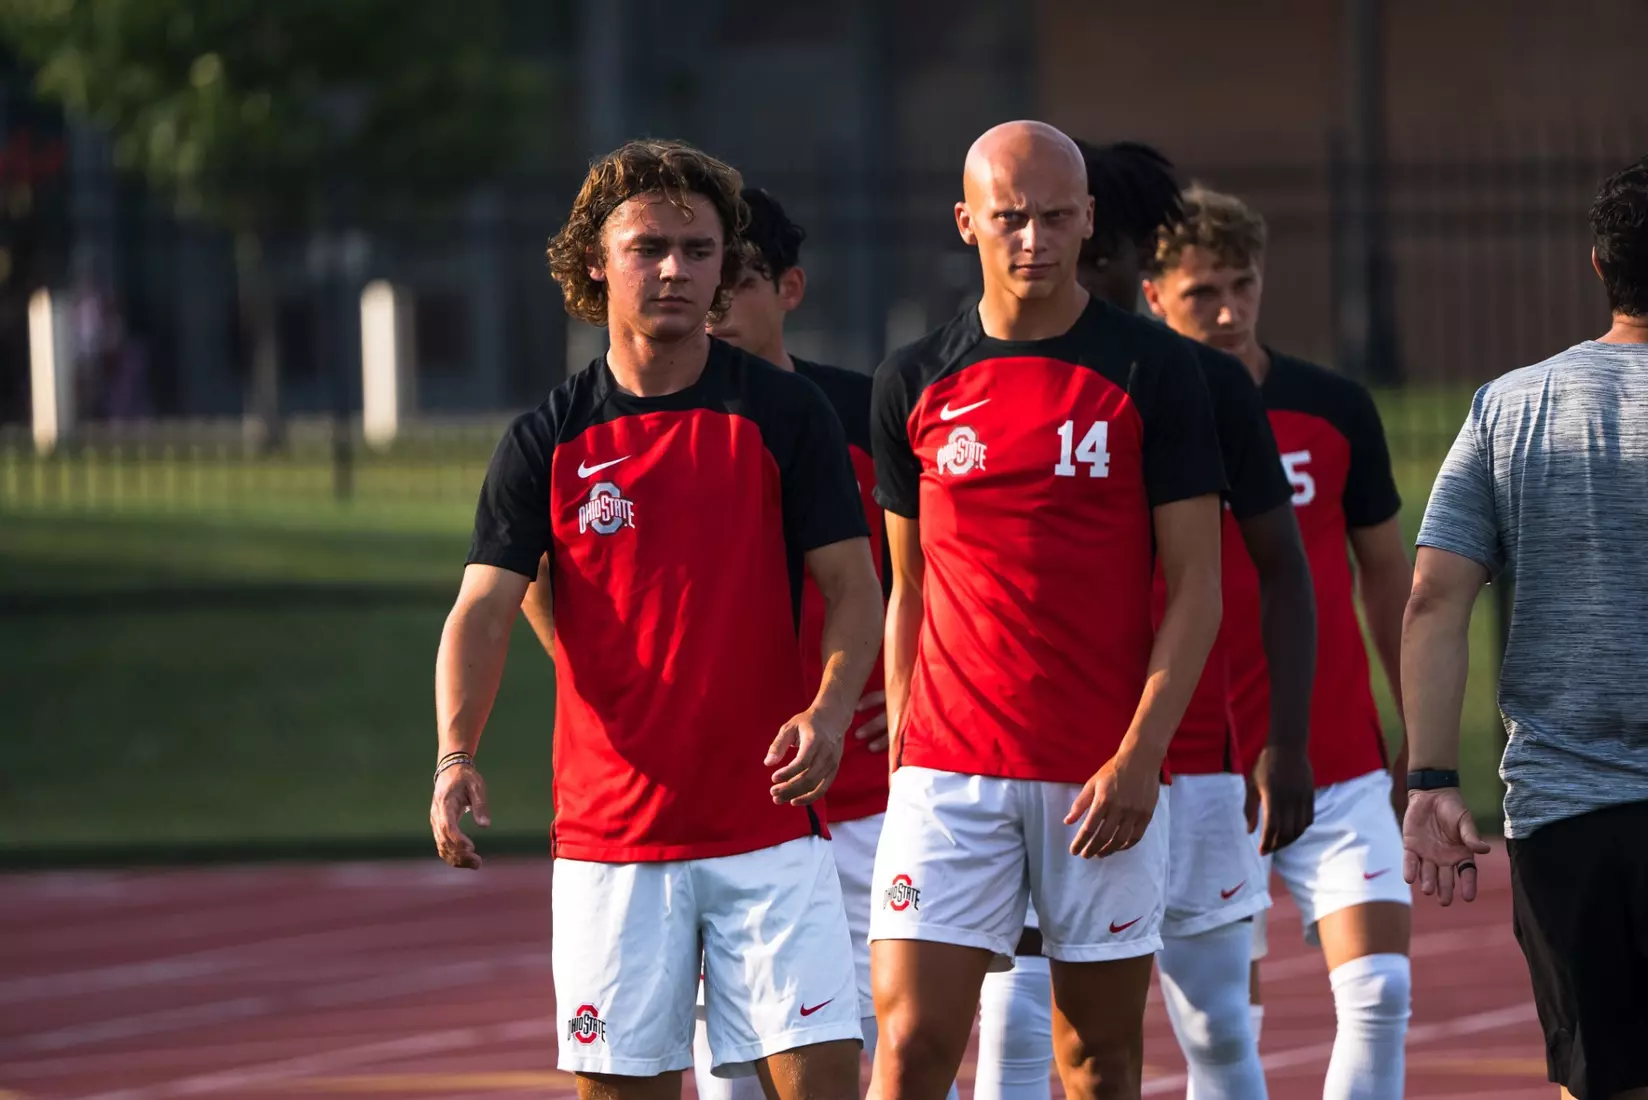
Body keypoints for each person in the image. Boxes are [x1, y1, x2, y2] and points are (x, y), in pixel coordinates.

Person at [430, 139, 884, 1100]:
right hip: (613, 844)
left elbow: (854, 587)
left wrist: (832, 706)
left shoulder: (786, 415)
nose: (674, 269)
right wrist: (455, 752)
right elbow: (484, 607)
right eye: (648, 247)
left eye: (698, 249)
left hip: (769, 829)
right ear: (596, 262)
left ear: (723, 268)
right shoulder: (546, 438)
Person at [868, 120, 1227, 1100]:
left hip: (1097, 776)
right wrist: (904, 749)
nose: (1034, 239)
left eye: (1057, 217)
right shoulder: (912, 379)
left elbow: (1197, 585)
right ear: (966, 222)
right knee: (908, 1049)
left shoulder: (1156, 371)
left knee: (1096, 1061)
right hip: (948, 771)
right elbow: (910, 586)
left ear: (1089, 219)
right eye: (1010, 218)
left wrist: (1141, 755)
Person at [971, 140, 1318, 1100]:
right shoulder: (990, 377)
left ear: (1132, 257)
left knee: (1217, 1025)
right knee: (1018, 1016)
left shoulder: (1198, 381)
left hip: (1193, 761)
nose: (1075, 270)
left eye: (1101, 252)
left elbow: (1282, 569)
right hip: (1038, 761)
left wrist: (1285, 742)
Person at [1143, 186, 1414, 1100]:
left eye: (1243, 285)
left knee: (1380, 989)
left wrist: (1415, 722)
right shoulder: (1140, 416)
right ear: (1155, 296)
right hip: (1196, 768)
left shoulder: (1333, 408)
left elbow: (1387, 574)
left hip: (1333, 753)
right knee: (1221, 1028)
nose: (1227, 311)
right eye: (1202, 292)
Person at [1401, 154, 1648, 1100]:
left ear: (1597, 264)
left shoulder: (1510, 406)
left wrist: (1431, 778)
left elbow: (1434, 596)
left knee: (1597, 1078)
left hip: (1564, 808)